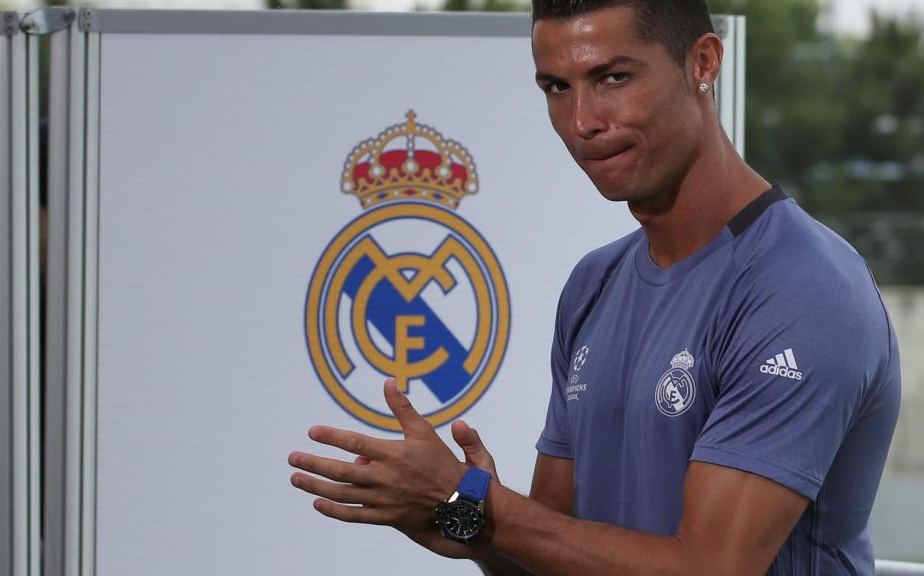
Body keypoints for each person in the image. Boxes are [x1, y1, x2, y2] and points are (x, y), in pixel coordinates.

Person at [288, 0, 901, 573]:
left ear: (703, 63)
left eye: (613, 78)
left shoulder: (802, 288)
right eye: (556, 87)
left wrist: (474, 499)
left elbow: (712, 567)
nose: (582, 122)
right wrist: (461, 519)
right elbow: (554, 547)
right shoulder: (594, 283)